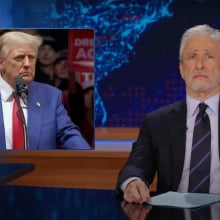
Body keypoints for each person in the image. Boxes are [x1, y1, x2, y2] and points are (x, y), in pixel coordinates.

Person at [116, 24, 220, 203]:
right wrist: (133, 182)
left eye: (209, 56)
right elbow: (136, 165)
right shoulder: (157, 122)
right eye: (192, 57)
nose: (200, 65)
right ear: (181, 69)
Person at [0, 30, 90, 150]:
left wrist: (88, 157)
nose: (27, 64)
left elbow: (68, 134)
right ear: (2, 63)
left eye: (31, 58)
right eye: (19, 57)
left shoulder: (50, 95)